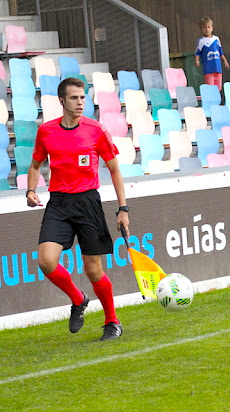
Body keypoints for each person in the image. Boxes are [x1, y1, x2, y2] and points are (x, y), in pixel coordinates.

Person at [26, 77, 130, 341]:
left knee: (94, 270)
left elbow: (115, 170)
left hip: (88, 203)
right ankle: (78, 298)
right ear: (62, 101)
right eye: (74, 98)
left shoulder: (96, 130)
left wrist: (123, 208)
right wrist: (30, 190)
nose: (80, 102)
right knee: (46, 260)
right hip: (58, 203)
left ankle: (112, 322)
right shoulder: (47, 131)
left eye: (83, 97)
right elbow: (36, 165)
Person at [194, 16, 229, 91]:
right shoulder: (201, 41)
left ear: (212, 28)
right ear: (201, 29)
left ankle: (216, 101)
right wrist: (197, 61)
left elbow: (220, 50)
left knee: (218, 88)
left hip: (217, 67)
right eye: (204, 27)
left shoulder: (216, 39)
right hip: (208, 68)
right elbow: (197, 52)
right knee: (210, 88)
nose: (207, 29)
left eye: (208, 27)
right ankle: (210, 101)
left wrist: (224, 60)